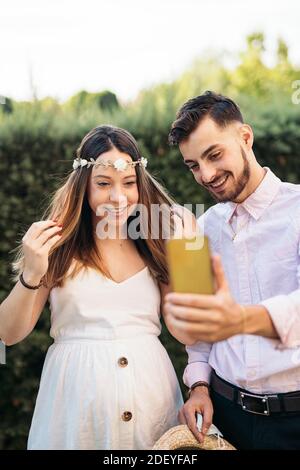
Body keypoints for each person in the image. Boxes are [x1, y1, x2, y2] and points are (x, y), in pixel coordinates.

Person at [0, 125, 185, 450]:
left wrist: (190, 254)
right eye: (103, 184)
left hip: (153, 400)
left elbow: (189, 332)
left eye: (129, 184)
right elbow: (7, 334)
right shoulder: (57, 247)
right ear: (83, 186)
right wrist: (31, 273)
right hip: (74, 411)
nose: (118, 197)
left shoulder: (156, 242)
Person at [164, 91, 300, 450]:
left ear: (245, 137)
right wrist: (199, 385)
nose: (206, 175)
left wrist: (239, 319)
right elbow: (202, 334)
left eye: (214, 155)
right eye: (193, 165)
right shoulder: (204, 227)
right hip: (225, 417)